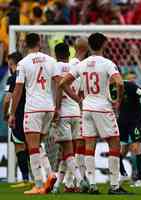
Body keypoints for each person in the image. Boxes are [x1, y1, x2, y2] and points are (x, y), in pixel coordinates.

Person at [58, 33, 130, 195]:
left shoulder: (82, 65)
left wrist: (78, 99)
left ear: (90, 45)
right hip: (103, 108)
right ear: (104, 44)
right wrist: (118, 98)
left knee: (89, 146)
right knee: (114, 143)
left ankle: (92, 185)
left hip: (87, 108)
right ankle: (114, 186)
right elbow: (119, 82)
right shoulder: (107, 63)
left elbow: (63, 83)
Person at [8, 33, 60, 195]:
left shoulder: (23, 63)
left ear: (24, 44)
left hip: (33, 109)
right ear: (39, 43)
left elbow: (17, 90)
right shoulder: (51, 60)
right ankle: (50, 174)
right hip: (49, 108)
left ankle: (38, 184)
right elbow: (59, 84)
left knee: (32, 147)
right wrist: (57, 107)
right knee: (38, 145)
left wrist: (12, 113)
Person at [52, 42, 88, 193]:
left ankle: (80, 181)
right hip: (76, 113)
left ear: (56, 54)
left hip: (64, 112)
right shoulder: (77, 68)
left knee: (67, 151)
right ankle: (62, 185)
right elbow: (81, 92)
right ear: (69, 53)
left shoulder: (56, 67)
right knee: (68, 151)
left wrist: (57, 108)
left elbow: (59, 87)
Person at [3, 52, 31, 188]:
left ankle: (26, 179)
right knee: (33, 146)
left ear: (11, 64)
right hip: (32, 113)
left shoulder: (13, 78)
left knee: (20, 146)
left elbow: (7, 99)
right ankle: (38, 177)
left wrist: (5, 114)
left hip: (18, 115)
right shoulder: (29, 76)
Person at [116, 71, 141, 187]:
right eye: (130, 79)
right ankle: (123, 174)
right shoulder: (113, 87)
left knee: (136, 148)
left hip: (135, 122)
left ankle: (139, 179)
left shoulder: (131, 86)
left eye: (134, 79)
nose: (133, 81)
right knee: (122, 151)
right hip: (122, 122)